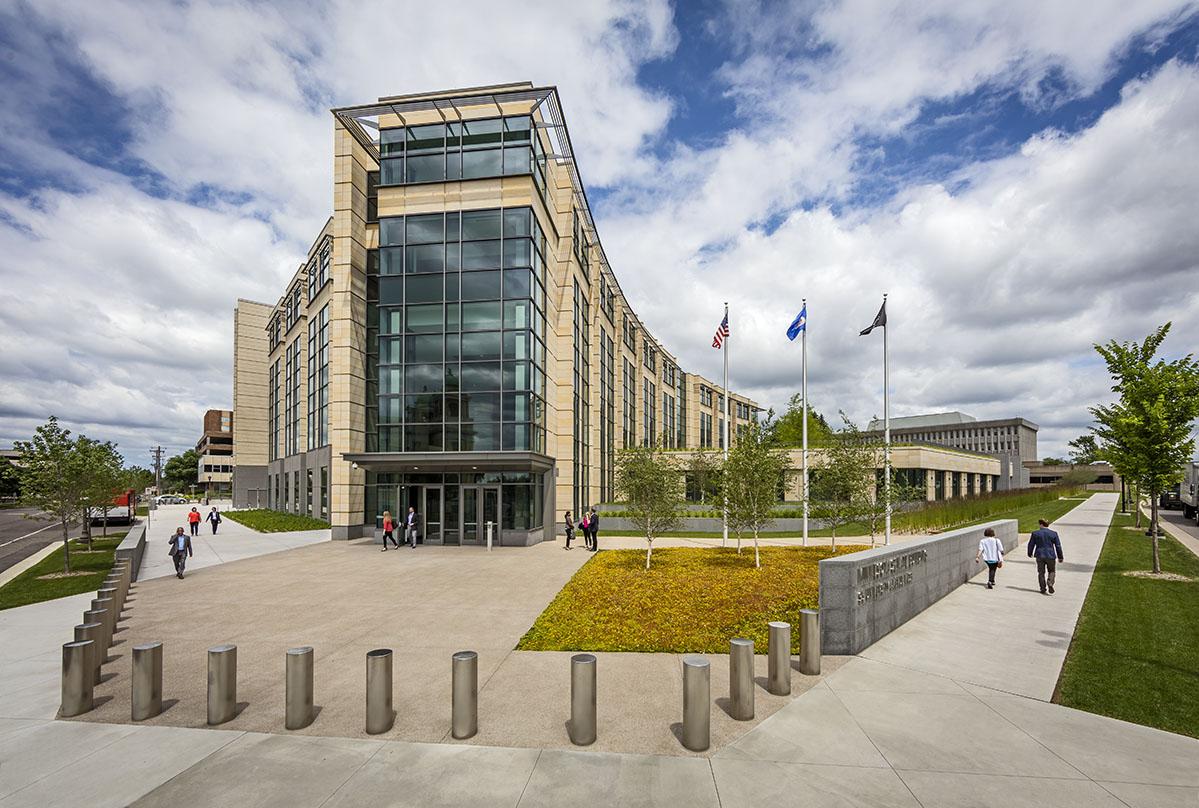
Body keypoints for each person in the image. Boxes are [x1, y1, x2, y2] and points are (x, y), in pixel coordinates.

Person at [1028, 518, 1064, 595]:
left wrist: (1029, 553)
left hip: (1040, 555)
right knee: (1052, 571)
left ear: (1041, 524)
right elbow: (1058, 546)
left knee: (1041, 572)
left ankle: (1042, 588)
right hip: (1050, 555)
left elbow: (1031, 544)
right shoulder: (1054, 533)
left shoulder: (1035, 533)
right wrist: (1060, 556)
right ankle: (1050, 582)